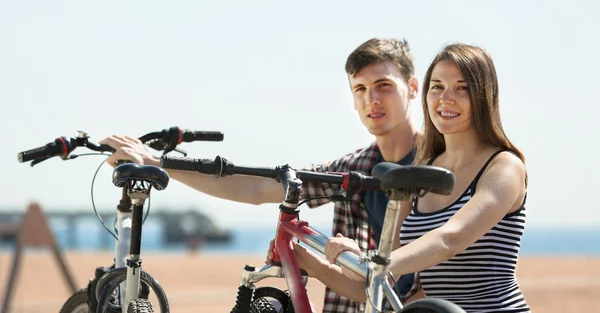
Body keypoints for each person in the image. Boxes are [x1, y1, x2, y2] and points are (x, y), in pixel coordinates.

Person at [101, 37, 421, 313]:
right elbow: (257, 187)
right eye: (360, 89)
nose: (372, 99)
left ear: (413, 88)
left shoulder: (441, 166)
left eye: (384, 86)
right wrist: (158, 163)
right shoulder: (358, 167)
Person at [277, 43, 531, 312]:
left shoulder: (504, 166)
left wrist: (371, 260)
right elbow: (381, 283)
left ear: (483, 95)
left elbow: (450, 239)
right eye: (437, 87)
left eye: (462, 87)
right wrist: (311, 262)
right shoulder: (422, 171)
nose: (446, 98)